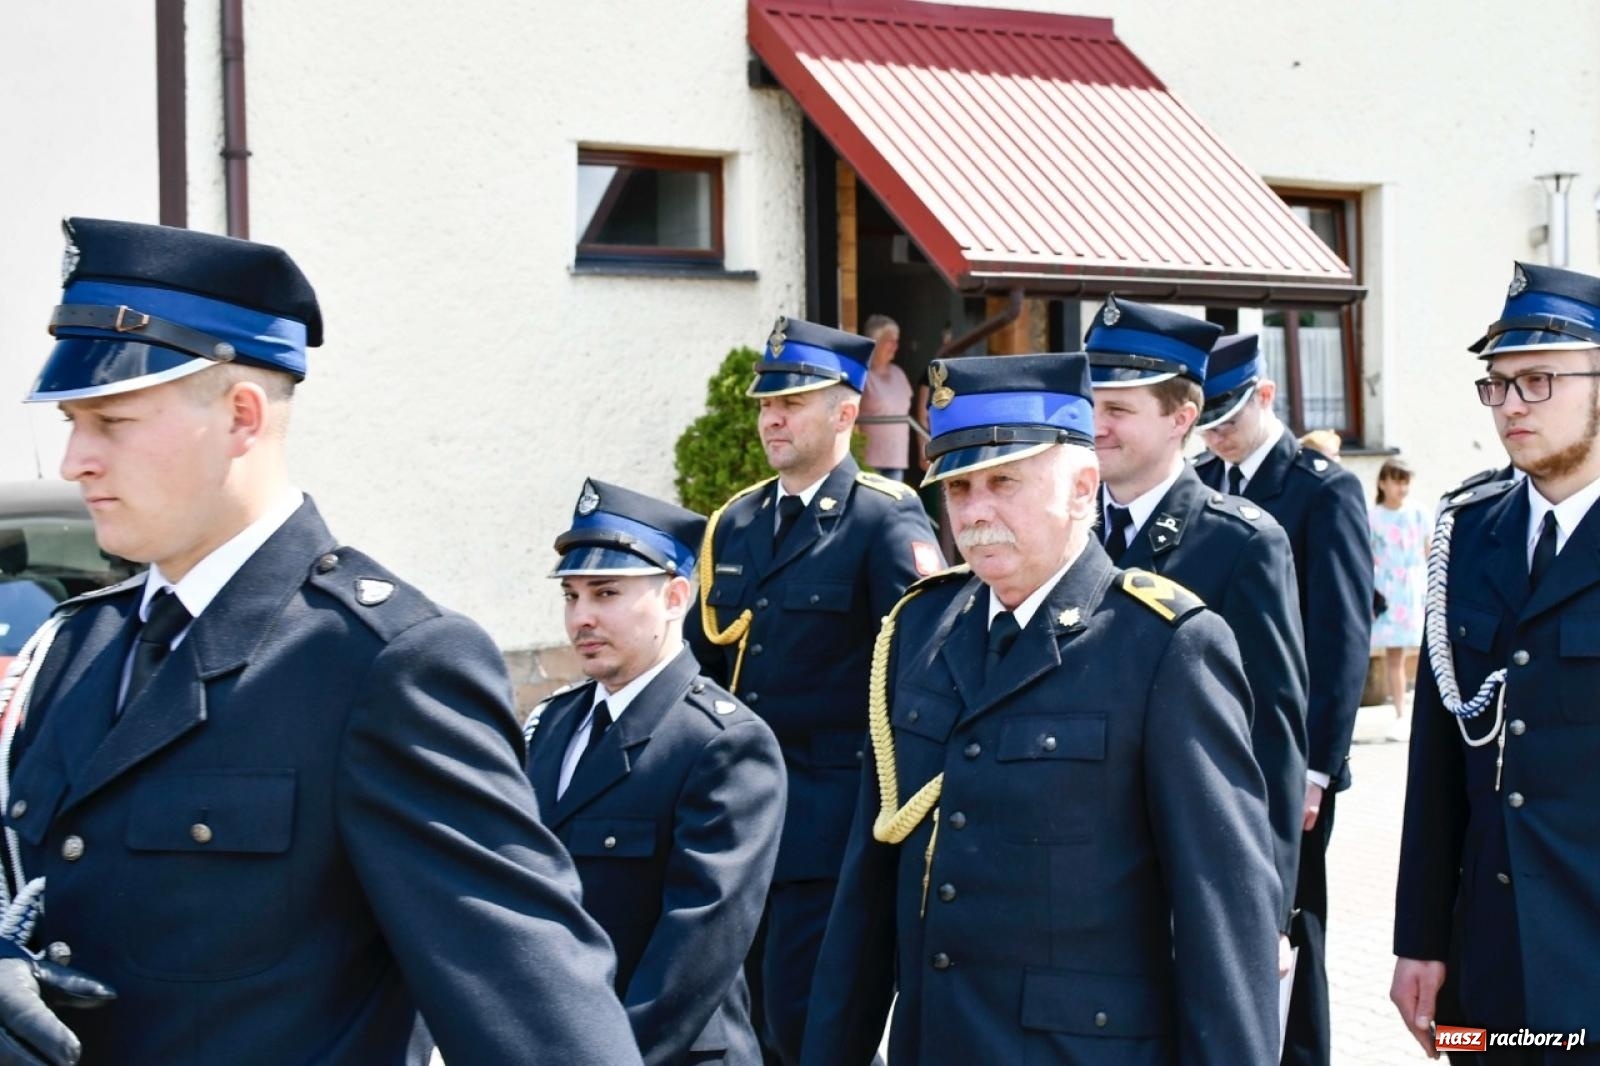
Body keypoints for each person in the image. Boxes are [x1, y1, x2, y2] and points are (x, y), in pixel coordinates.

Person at [0, 218, 641, 1066]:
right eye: (71, 422)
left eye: (111, 421)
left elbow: (541, 1020)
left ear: (241, 415)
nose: (75, 460)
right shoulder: (77, 646)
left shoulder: (384, 664)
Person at [800, 351, 1281, 1066]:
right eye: (958, 487)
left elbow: (1224, 914)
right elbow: (868, 888)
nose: (976, 511)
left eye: (1004, 482)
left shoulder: (1165, 644)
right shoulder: (918, 628)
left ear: (1083, 487)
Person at [688, 316, 941, 1065]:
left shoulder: (883, 517)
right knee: (738, 1022)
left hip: (830, 822)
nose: (772, 418)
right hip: (737, 817)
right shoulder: (734, 523)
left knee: (811, 1027)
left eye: (792, 403)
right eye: (767, 404)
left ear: (845, 413)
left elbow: (921, 670)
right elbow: (701, 670)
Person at [1393, 262, 1600, 1063]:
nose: (1511, 404)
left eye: (1539, 380)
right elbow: (1437, 763)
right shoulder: (1468, 532)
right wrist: (1419, 941)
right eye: (1498, 384)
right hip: (1491, 966)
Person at [527, 479, 786, 1066]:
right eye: (571, 596)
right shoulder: (552, 724)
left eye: (606, 593)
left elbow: (696, 947)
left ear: (675, 597)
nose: (582, 618)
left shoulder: (723, 744)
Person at [1087, 302, 1308, 959]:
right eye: (1088, 404)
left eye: (1117, 409)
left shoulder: (1240, 543)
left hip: (1186, 871)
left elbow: (1271, 733)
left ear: (1182, 418)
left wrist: (1265, 909)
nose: (1094, 426)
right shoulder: (1065, 530)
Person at [1196, 333, 1374, 1066]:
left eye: (1227, 419)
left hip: (1290, 757)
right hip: (1211, 744)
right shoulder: (1201, 485)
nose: (1215, 436)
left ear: (1265, 396)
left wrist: (1317, 768)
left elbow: (1341, 638)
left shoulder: (1322, 489)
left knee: (1291, 925)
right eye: (1205, 423)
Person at [1368, 456, 1430, 740]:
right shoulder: (1373, 516)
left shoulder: (1418, 513)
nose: (1402, 488)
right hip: (1388, 590)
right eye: (1396, 481)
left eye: (1406, 482)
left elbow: (1429, 550)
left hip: (1415, 587)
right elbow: (1367, 554)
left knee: (1426, 649)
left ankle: (1423, 710)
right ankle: (1401, 714)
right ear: (1383, 483)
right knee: (1395, 654)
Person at [858, 315, 914, 482]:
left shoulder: (899, 373)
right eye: (890, 341)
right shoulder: (863, 375)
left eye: (897, 341)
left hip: (897, 458)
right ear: (875, 342)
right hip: (870, 460)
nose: (896, 346)